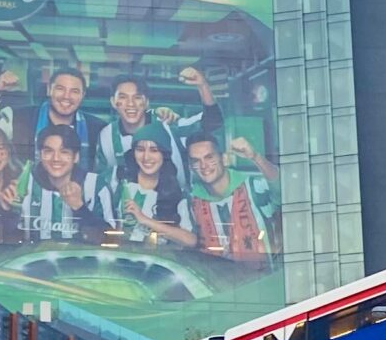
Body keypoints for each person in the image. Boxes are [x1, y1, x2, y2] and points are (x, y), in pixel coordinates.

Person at [93, 66, 219, 182]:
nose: (130, 103)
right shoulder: (106, 135)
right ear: (113, 102)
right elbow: (102, 179)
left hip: (176, 198)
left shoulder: (167, 123)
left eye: (137, 97)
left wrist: (202, 85)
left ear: (146, 102)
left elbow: (213, 122)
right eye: (123, 97)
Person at [183, 132, 279, 264]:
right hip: (216, 275)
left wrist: (255, 157)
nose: (204, 166)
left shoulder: (254, 187)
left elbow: (286, 189)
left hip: (263, 274)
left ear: (224, 159)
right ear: (190, 167)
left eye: (209, 157)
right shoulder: (190, 203)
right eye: (196, 161)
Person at [108, 134, 195, 248]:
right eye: (140, 150)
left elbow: (190, 240)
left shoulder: (177, 195)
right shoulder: (118, 184)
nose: (146, 157)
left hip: (157, 258)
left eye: (154, 150)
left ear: (164, 155)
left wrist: (145, 220)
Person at [13, 126, 94, 242]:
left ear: (76, 157)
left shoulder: (96, 185)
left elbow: (108, 239)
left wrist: (79, 207)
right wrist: (5, 208)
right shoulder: (24, 184)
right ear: (40, 155)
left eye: (64, 152)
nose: (56, 158)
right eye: (49, 151)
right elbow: (5, 236)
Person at [32, 67, 94, 159]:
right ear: (49, 90)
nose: (66, 96)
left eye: (74, 91)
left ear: (82, 95)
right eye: (60, 89)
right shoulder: (20, 120)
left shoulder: (96, 129)